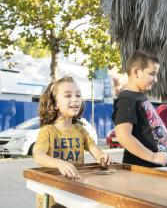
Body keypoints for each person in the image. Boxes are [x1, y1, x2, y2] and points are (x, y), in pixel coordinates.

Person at [34, 76, 111, 207]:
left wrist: (102, 157)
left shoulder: (81, 131)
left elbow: (97, 152)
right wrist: (60, 164)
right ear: (55, 104)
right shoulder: (47, 131)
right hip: (52, 197)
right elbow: (38, 156)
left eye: (78, 95)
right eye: (68, 95)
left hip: (75, 193)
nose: (75, 99)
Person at [112, 50, 167, 167]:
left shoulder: (139, 97)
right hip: (144, 171)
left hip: (157, 170)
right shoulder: (127, 99)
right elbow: (123, 136)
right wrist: (153, 156)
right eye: (152, 74)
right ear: (136, 72)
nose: (156, 79)